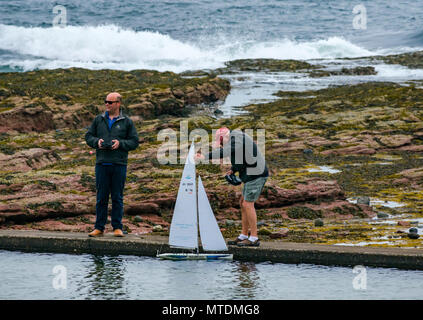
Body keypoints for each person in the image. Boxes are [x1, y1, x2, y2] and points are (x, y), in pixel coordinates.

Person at [195, 127, 269, 247]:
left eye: (221, 143)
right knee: (242, 203)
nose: (222, 146)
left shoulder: (237, 138)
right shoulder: (235, 140)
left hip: (257, 175)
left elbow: (227, 151)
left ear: (224, 138)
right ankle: (244, 236)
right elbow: (242, 156)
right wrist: (233, 169)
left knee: (248, 204)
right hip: (250, 175)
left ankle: (254, 238)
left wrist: (205, 157)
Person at [85, 92, 139, 237]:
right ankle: (99, 227)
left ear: (118, 104)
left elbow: (134, 142)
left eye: (110, 102)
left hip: (119, 164)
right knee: (101, 197)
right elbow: (88, 137)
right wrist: (97, 142)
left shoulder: (126, 122)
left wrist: (120, 143)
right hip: (102, 163)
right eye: (106, 102)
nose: (107, 104)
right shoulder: (98, 120)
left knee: (117, 197)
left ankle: (117, 227)